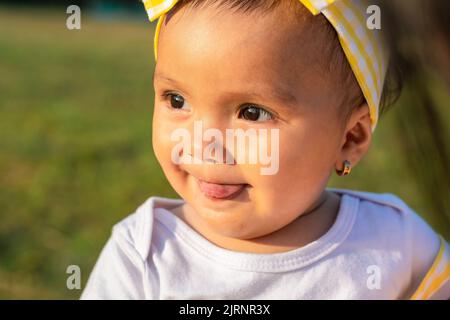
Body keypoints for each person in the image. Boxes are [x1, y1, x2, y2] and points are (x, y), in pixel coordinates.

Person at [81, 0, 449, 299]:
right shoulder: (143, 253)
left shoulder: (396, 243)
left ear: (350, 138)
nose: (203, 144)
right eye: (177, 101)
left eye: (252, 113)